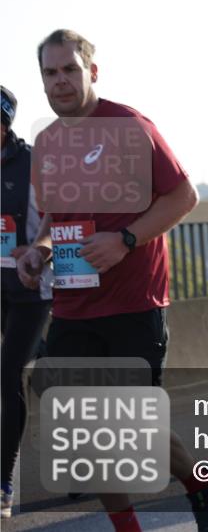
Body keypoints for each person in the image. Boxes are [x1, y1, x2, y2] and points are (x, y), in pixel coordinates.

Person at [16, 30, 208, 532]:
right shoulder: (47, 143)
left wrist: (126, 240)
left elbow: (183, 197)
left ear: (92, 71)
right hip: (71, 307)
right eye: (50, 72)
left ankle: (202, 482)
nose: (60, 81)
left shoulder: (130, 126)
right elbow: (53, 218)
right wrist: (39, 252)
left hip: (134, 303)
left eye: (70, 69)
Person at [1, 86, 53, 519]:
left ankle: (3, 482)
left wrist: (37, 248)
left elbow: (61, 211)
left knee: (7, 376)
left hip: (30, 288)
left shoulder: (35, 160)